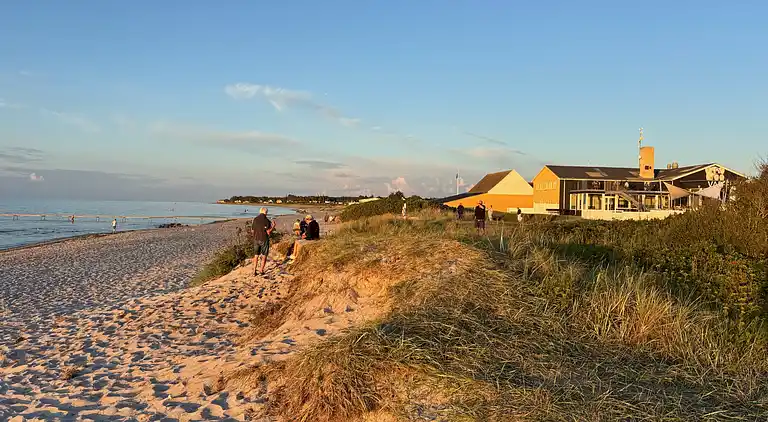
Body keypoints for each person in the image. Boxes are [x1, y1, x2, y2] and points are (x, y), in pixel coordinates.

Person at [251, 207, 275, 276]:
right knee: (264, 255)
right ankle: (261, 270)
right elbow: (268, 232)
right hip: (264, 239)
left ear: (260, 211)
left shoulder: (255, 219)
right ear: (266, 212)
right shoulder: (267, 221)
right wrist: (273, 226)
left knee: (256, 256)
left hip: (256, 239)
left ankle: (254, 271)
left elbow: (252, 230)